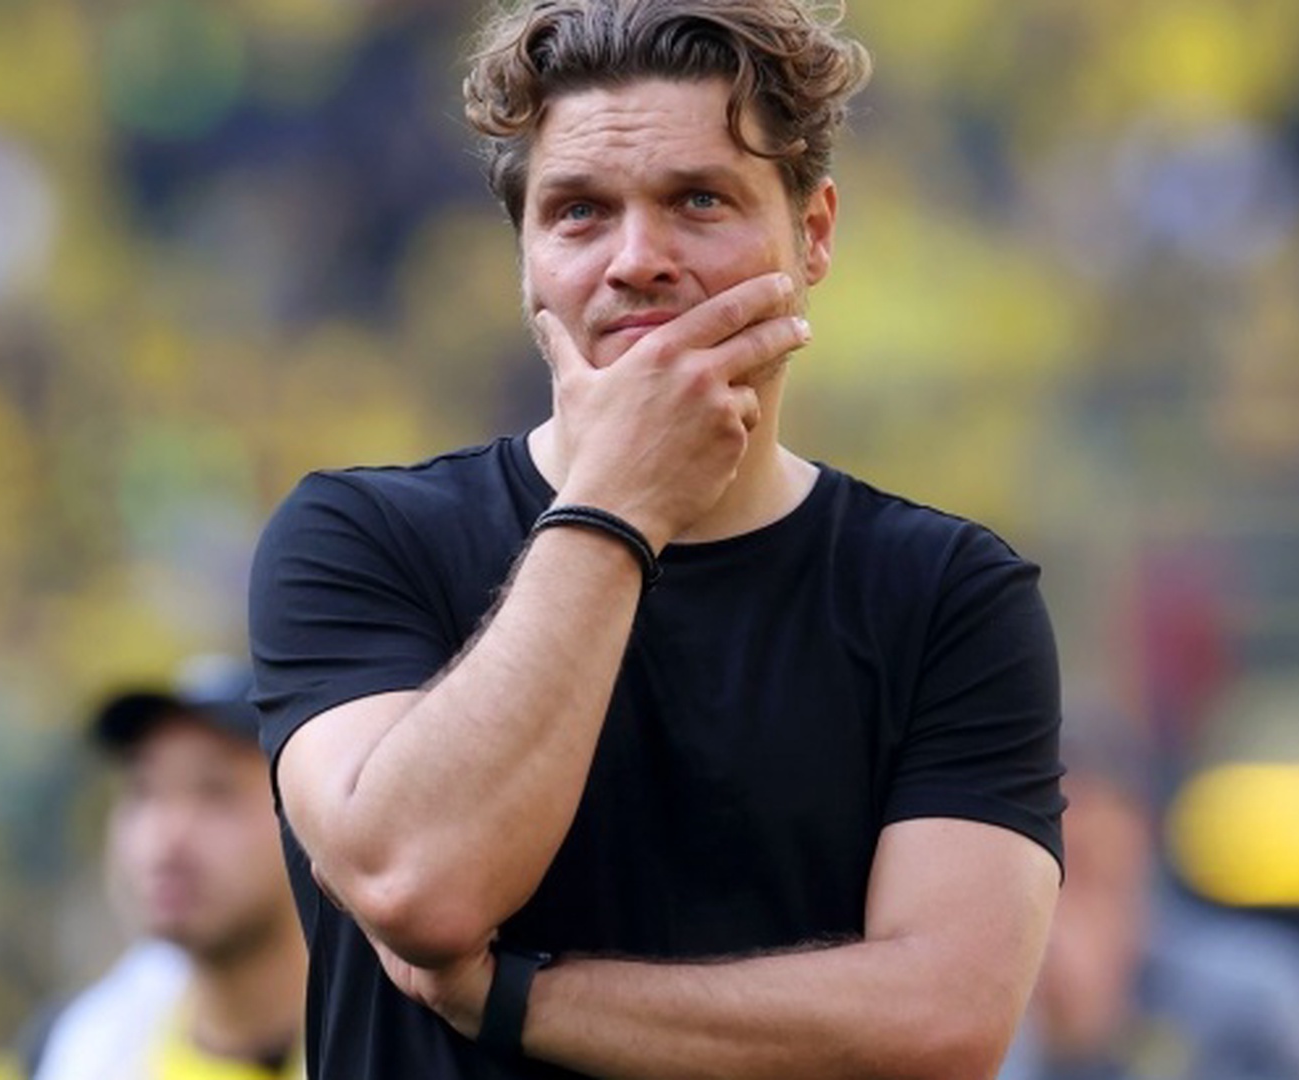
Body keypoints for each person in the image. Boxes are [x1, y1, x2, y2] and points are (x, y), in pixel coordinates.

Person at [249, 2, 1066, 1077]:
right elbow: (419, 887)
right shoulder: (356, 540)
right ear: (525, 257)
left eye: (698, 200)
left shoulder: (948, 594)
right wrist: (621, 504)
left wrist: (516, 999)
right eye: (579, 212)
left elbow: (942, 1023)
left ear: (814, 233)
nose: (637, 260)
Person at [0, 655, 307, 1080]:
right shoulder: (62, 1055)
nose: (166, 836)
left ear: (308, 812)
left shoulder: (388, 1041)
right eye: (143, 790)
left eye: (216, 791)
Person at [998, 730, 1299, 1080]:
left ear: (1140, 830)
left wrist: (1102, 1035)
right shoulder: (988, 1000)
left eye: (1085, 857)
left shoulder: (1258, 989)